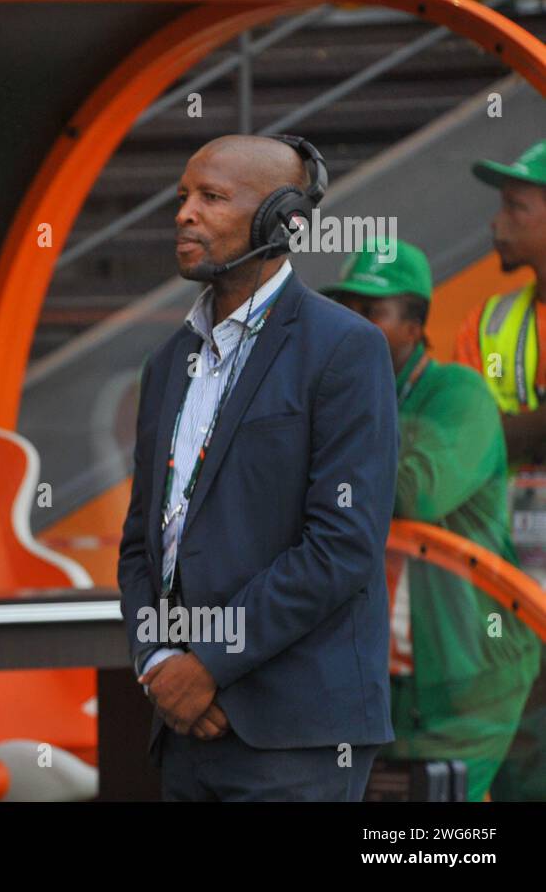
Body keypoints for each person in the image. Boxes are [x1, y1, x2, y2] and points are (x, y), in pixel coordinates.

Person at [118, 133, 396, 800]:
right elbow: (141, 544)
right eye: (183, 195)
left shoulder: (346, 350)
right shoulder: (166, 365)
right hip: (186, 727)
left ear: (281, 219)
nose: (185, 212)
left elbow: (341, 544)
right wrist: (161, 663)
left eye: (212, 197)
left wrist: (209, 663)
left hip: (298, 735)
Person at [323, 238, 539, 801]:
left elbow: (411, 493)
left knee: (435, 836)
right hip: (384, 676)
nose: (354, 322)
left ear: (415, 328)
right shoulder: (342, 396)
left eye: (374, 311)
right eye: (347, 307)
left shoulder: (457, 392)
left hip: (468, 672)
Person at [452, 138, 546, 801]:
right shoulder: (489, 323)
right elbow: (461, 442)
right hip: (510, 590)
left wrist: (505, 435)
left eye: (516, 206)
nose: (497, 221)